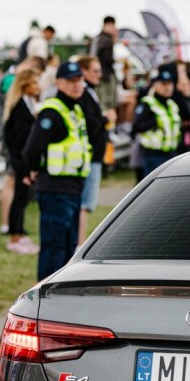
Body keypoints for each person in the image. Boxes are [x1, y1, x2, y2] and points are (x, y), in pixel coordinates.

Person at [24, 61, 92, 280]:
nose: (76, 85)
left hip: (73, 188)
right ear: (59, 83)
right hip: (55, 189)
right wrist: (33, 169)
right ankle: (45, 297)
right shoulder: (52, 110)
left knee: (67, 247)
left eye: (79, 80)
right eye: (71, 81)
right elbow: (33, 148)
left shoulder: (76, 110)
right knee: (54, 247)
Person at [0, 64, 43, 254]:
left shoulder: (27, 103)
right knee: (19, 198)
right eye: (34, 82)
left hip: (23, 158)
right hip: (19, 158)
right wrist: (24, 164)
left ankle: (20, 233)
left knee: (23, 197)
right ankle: (14, 236)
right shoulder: (19, 108)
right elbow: (17, 139)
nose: (37, 86)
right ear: (25, 85)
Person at [76, 54, 111, 242]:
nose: (99, 75)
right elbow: (91, 122)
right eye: (95, 71)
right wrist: (105, 119)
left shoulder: (90, 92)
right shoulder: (83, 93)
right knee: (84, 204)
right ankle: (79, 244)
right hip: (90, 155)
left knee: (85, 205)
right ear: (84, 71)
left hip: (93, 154)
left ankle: (78, 242)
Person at [132, 63, 182, 179]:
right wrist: (153, 122)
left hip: (172, 154)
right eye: (164, 84)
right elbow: (136, 126)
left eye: (170, 84)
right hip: (153, 156)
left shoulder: (172, 105)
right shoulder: (148, 103)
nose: (168, 87)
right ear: (155, 85)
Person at [93, 15, 118, 97]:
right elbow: (108, 59)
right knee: (108, 105)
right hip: (105, 76)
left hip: (96, 74)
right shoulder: (106, 40)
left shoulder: (97, 38)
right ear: (109, 24)